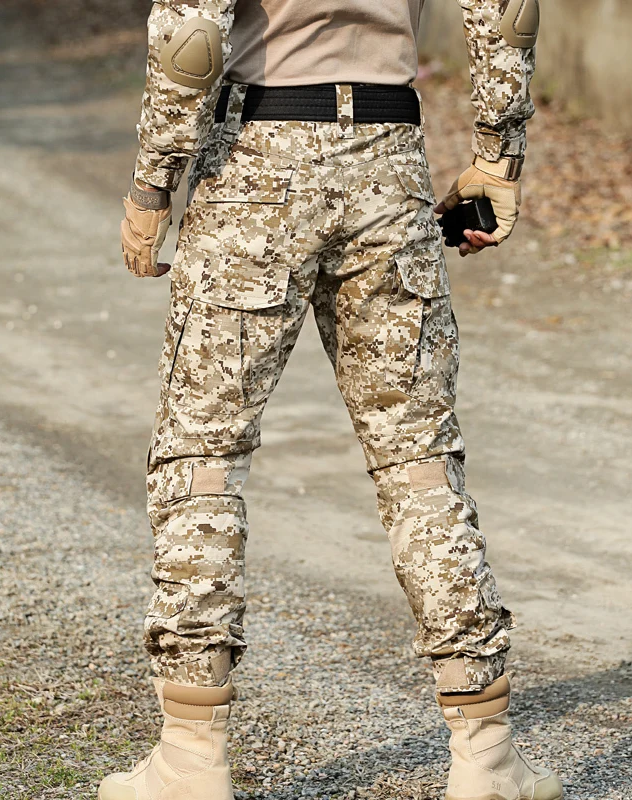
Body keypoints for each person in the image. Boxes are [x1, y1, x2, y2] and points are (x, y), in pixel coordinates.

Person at [106, 1, 562, 799]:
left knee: (203, 457)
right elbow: (503, 12)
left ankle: (191, 757)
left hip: (253, 164)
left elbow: (191, 32)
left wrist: (153, 185)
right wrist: (499, 157)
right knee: (419, 462)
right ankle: (485, 754)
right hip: (388, 157)